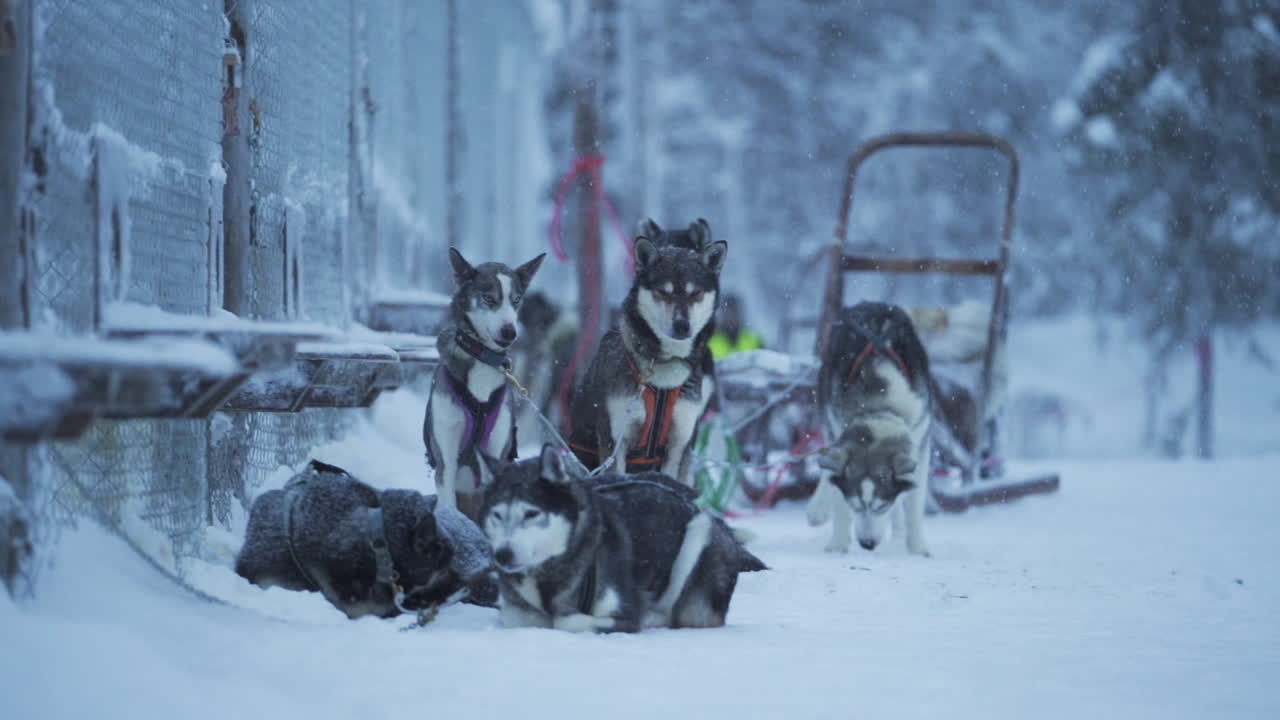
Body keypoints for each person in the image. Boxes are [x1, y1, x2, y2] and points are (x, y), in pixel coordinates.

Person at [709, 293, 764, 360]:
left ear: (741, 314)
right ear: (723, 314)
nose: (732, 317)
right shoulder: (710, 343)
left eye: (735, 312)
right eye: (728, 313)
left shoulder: (755, 342)